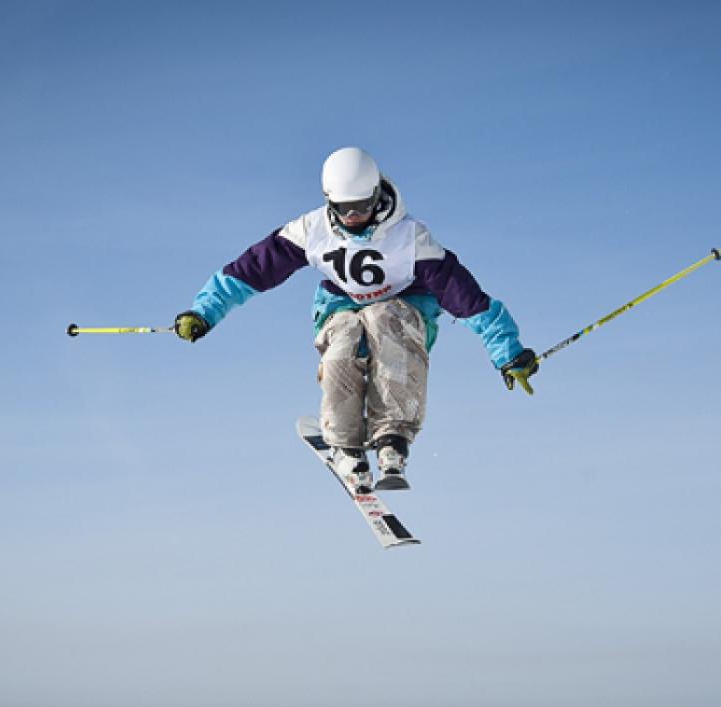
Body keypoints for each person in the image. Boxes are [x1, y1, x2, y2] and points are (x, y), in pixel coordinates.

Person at [174, 147, 538, 493]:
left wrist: (508, 354)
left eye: (361, 207)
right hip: (340, 309)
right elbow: (250, 271)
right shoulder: (311, 230)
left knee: (384, 316)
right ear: (329, 201)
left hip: (405, 315)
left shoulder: (410, 238)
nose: (353, 218)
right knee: (345, 335)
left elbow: (467, 298)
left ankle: (391, 437)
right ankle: (345, 444)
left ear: (377, 195)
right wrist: (204, 312)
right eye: (344, 209)